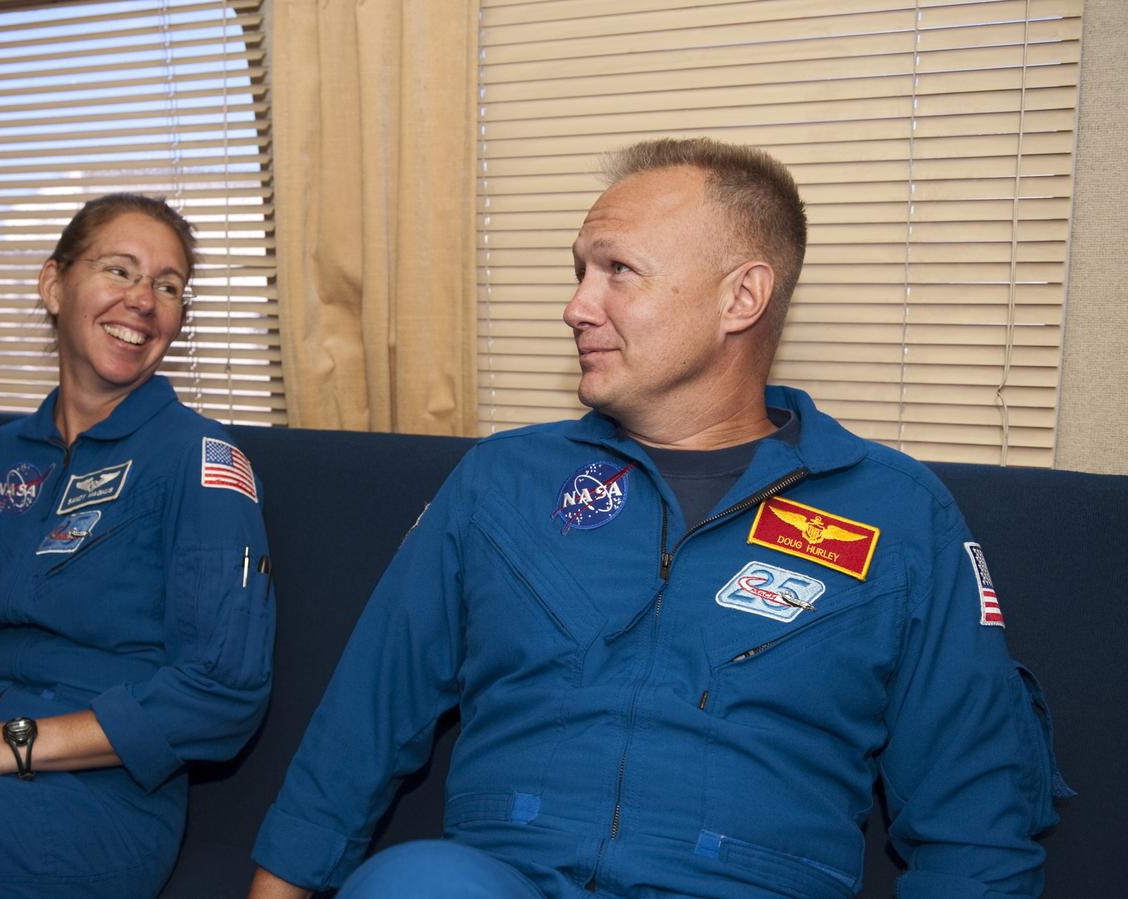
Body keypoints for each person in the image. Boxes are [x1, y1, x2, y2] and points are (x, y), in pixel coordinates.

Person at [247, 139, 1067, 899]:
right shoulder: (505, 478)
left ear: (740, 296)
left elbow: (976, 825)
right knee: (417, 881)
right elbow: (361, 723)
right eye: (579, 270)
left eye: (618, 270)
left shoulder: (896, 512)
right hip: (510, 874)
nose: (575, 305)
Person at [0, 194, 274, 897]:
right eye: (120, 269)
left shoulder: (199, 458)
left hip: (98, 802)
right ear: (54, 285)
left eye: (168, 286)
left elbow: (222, 690)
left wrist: (10, 741)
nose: (143, 299)